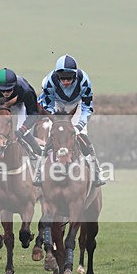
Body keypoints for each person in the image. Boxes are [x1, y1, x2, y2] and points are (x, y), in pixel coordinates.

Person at [34, 54, 105, 187]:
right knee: (53, 135)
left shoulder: (84, 80)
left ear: (75, 75)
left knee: (82, 135)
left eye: (69, 78)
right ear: (57, 76)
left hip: (77, 106)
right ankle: (39, 172)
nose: (66, 81)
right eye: (62, 78)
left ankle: (97, 171)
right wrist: (56, 121)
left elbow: (87, 106)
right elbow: (48, 105)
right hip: (57, 106)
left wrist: (79, 125)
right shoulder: (50, 81)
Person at [0, 67, 42, 159]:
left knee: (19, 129)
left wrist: (22, 130)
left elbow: (33, 113)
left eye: (9, 90)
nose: (5, 93)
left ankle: (38, 153)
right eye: (2, 90)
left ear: (14, 85)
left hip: (19, 105)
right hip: (0, 108)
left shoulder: (26, 90)